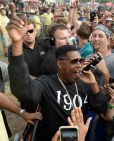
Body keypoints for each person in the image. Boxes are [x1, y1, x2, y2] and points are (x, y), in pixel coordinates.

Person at [7, 3, 107, 140]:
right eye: (74, 61)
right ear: (60, 63)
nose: (79, 65)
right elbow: (23, 91)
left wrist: (94, 85)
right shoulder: (47, 83)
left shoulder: (85, 82)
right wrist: (17, 43)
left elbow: (101, 108)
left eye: (81, 61)